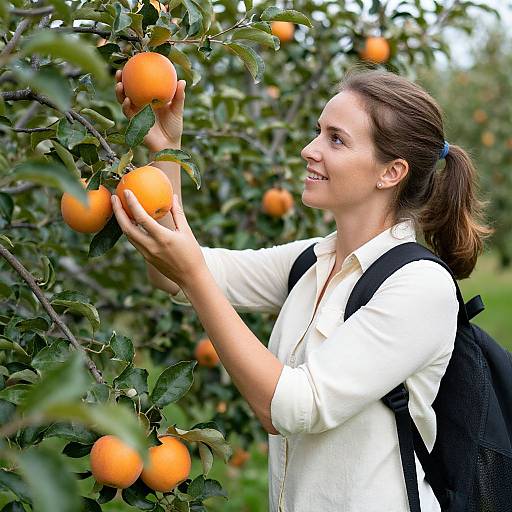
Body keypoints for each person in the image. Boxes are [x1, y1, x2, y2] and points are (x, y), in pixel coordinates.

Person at [112, 68, 493, 511]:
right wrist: (167, 153)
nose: (308, 150)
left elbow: (291, 408)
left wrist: (193, 275)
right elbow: (173, 272)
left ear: (391, 172)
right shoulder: (313, 261)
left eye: (336, 139)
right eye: (318, 132)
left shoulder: (420, 287)